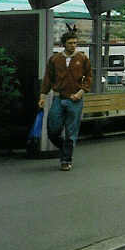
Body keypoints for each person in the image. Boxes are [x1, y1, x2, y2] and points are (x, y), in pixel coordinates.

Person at [38, 30, 92, 171]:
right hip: (58, 98)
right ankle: (65, 149)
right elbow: (48, 78)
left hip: (75, 100)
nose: (73, 45)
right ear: (64, 44)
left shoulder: (83, 58)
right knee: (53, 129)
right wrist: (43, 96)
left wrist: (81, 92)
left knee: (71, 131)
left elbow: (89, 77)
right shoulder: (55, 60)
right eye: (70, 43)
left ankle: (66, 159)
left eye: (75, 43)